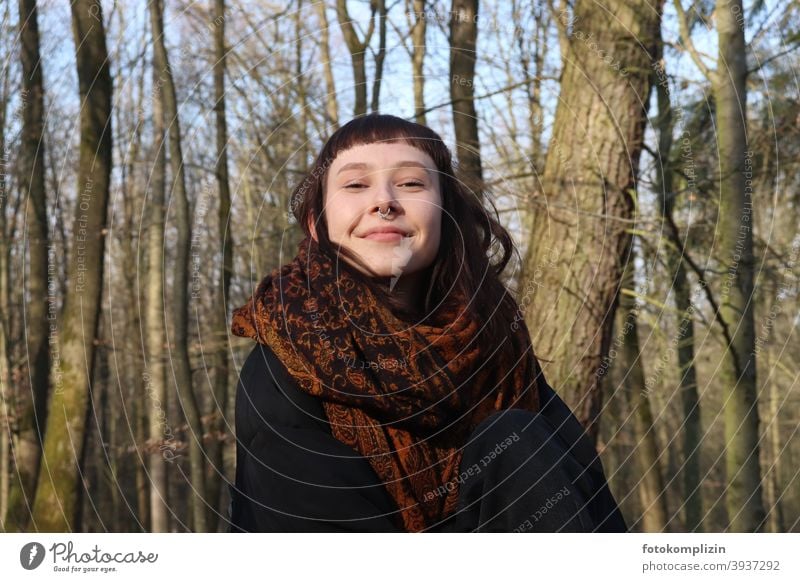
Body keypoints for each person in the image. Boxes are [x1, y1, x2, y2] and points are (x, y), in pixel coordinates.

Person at [227, 113, 627, 533]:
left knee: (518, 439)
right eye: (355, 184)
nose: (384, 201)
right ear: (317, 222)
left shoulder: (497, 347)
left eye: (411, 183)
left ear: (446, 214)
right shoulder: (287, 363)